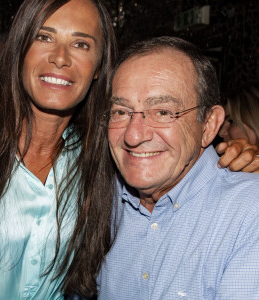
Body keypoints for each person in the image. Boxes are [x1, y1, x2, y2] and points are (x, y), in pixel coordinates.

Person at [0, 0, 117, 299]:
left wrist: (230, 162)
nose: (60, 58)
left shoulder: (101, 163)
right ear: (19, 51)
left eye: (81, 44)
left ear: (99, 67)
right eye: (44, 37)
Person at [97, 36, 259, 299]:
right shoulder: (102, 200)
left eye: (162, 112)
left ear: (207, 124)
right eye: (121, 112)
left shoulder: (248, 214)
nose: (133, 136)